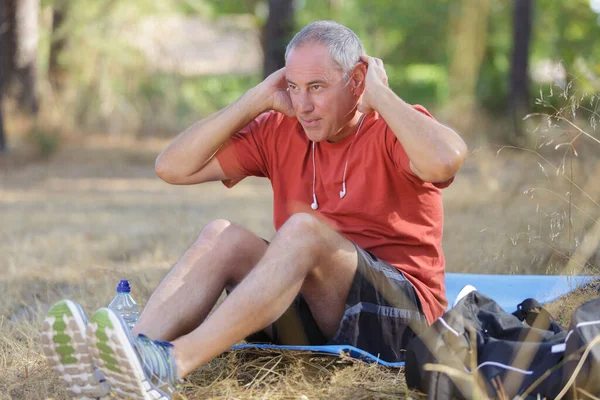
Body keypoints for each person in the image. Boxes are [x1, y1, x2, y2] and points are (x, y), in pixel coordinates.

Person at [41, 20, 467, 400]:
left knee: (302, 229)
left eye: (317, 87)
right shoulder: (283, 129)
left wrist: (382, 95)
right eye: (294, 88)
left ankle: (172, 362)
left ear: (357, 81)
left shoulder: (392, 127)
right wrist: (254, 100)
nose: (302, 105)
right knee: (222, 235)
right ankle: (130, 358)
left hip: (402, 318)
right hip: (315, 309)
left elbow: (446, 160)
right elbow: (171, 167)